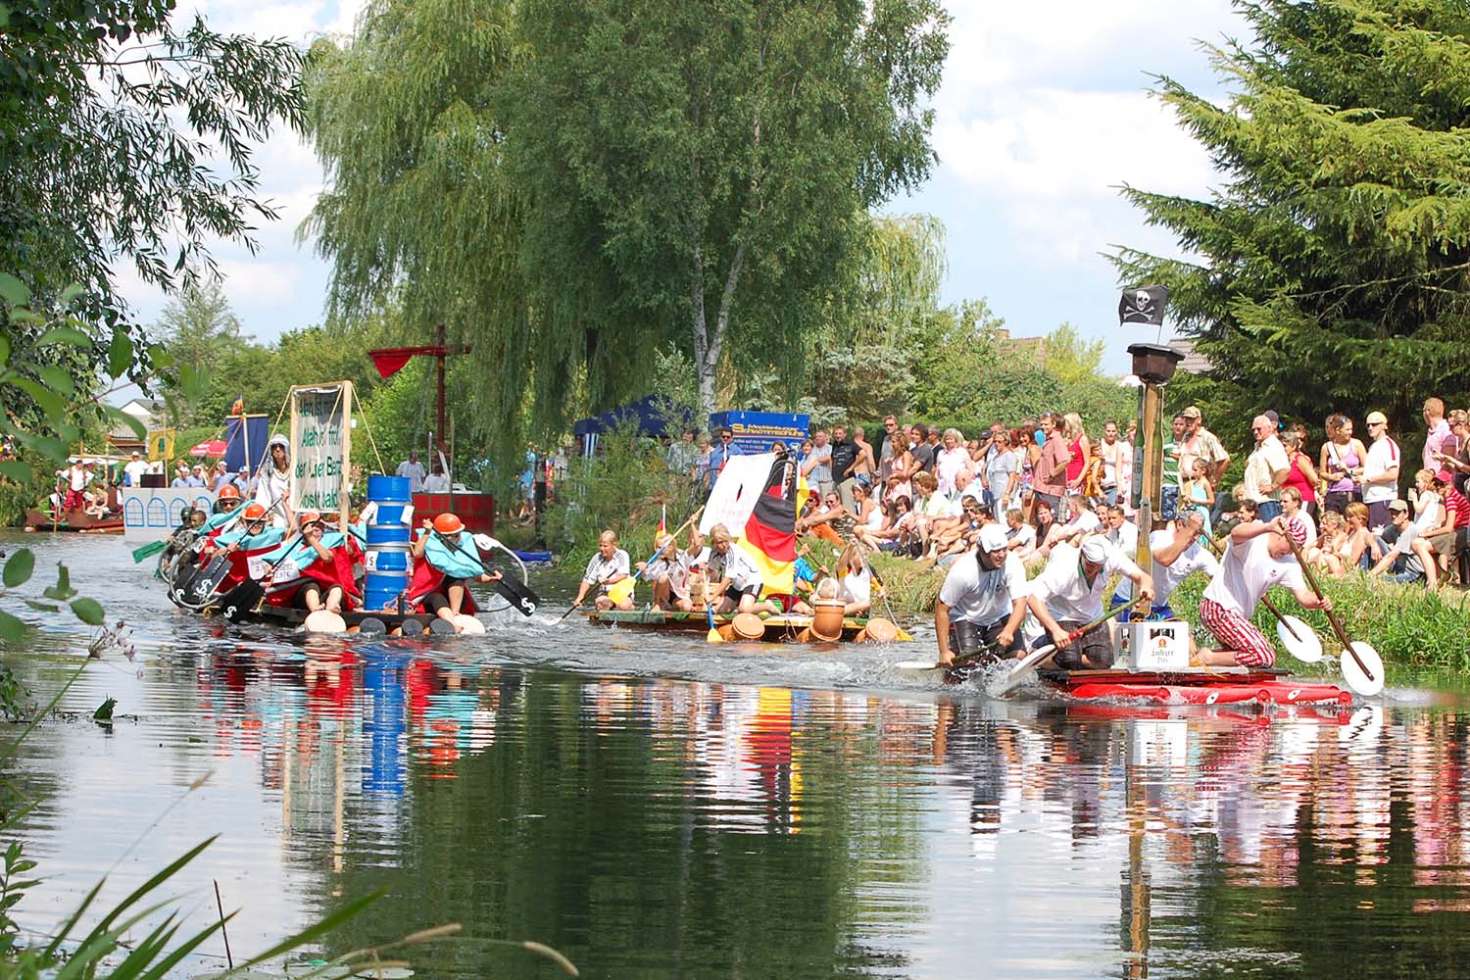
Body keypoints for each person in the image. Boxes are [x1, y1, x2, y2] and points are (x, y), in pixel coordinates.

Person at [1197, 517, 1330, 668]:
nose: (1289, 552)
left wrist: (1318, 601)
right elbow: (1235, 533)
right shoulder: (1254, 540)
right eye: (1290, 546)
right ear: (1281, 536)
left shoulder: (1290, 562)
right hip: (1217, 607)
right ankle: (1207, 658)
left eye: (1296, 548)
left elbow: (1304, 596)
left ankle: (1198, 660)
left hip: (1237, 615)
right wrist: (1268, 527)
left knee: (1245, 656)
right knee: (1263, 656)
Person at [1026, 536, 1154, 669]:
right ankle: (1039, 649)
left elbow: (1143, 577)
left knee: (1103, 661)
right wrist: (1055, 630)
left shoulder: (1112, 556)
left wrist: (1146, 587)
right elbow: (1033, 598)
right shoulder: (1063, 569)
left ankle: (1074, 656)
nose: (1093, 570)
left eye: (1098, 567)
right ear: (1082, 555)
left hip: (1092, 616)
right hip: (1062, 616)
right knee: (1070, 661)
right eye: (1090, 565)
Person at [933, 524, 1029, 665]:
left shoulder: (1013, 563)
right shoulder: (963, 571)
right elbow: (942, 608)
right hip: (966, 618)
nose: (1001, 555)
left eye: (1004, 550)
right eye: (995, 551)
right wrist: (944, 651)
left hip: (998, 616)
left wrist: (1008, 631)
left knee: (1019, 656)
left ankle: (996, 670)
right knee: (971, 663)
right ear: (982, 551)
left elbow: (1020, 603)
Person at [1112, 510, 1220, 620]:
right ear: (1179, 525)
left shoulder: (1200, 554)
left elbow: (1220, 579)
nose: (1195, 537)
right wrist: (1187, 534)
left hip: (1159, 607)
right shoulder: (1159, 537)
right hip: (1127, 601)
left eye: (1199, 533)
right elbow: (1165, 559)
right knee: (1138, 636)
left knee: (1183, 635)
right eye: (1193, 532)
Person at [404, 512, 500, 626]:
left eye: (458, 534)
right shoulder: (431, 545)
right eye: (454, 535)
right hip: (428, 594)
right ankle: (452, 624)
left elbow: (476, 574)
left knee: (457, 579)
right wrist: (427, 532)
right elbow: (417, 553)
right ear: (442, 536)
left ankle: (455, 613)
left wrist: (491, 578)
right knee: (437, 598)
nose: (458, 538)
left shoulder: (461, 550)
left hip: (452, 595)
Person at [1368, 499, 1437, 587]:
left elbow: (1391, 555)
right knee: (1375, 539)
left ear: (1406, 514)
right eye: (1392, 513)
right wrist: (1374, 545)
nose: (1393, 516)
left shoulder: (1411, 530)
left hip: (1414, 573)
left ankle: (1370, 575)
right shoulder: (1392, 528)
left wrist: (1371, 575)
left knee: (1382, 581)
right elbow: (1377, 538)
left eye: (1397, 513)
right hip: (1399, 568)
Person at [1421, 472, 1468, 583]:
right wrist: (1437, 527)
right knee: (1441, 540)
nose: (1438, 488)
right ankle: (1446, 577)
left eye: (1441, 485)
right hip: (1462, 529)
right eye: (1437, 485)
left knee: (1439, 543)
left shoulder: (1451, 499)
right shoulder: (1454, 495)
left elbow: (1449, 528)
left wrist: (1427, 534)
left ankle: (1441, 577)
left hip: (1464, 531)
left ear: (1449, 485)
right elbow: (1451, 521)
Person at [706, 523, 763, 614]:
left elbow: (728, 578)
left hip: (752, 581)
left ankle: (767, 606)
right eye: (720, 542)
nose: (724, 545)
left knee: (744, 609)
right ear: (714, 543)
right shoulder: (713, 553)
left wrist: (713, 596)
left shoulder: (732, 551)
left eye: (725, 541)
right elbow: (710, 573)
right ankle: (740, 604)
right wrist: (705, 590)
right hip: (737, 585)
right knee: (721, 611)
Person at [1243, 414, 1290, 521]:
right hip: (1254, 502)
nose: (1255, 432)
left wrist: (1273, 486)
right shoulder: (1259, 447)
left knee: (1267, 535)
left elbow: (1284, 470)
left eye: (1259, 429)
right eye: (1253, 429)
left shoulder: (1273, 445)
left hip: (1267, 502)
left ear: (1269, 428)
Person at [572, 530, 632, 611]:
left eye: (605, 546)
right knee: (601, 604)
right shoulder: (596, 558)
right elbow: (587, 580)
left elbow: (623, 575)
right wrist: (579, 598)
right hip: (605, 593)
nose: (602, 549)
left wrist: (609, 581)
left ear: (614, 544)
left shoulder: (622, 555)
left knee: (623, 606)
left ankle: (628, 608)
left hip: (621, 592)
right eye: (600, 546)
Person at [1362, 410, 1401, 531]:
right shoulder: (1374, 445)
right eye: (1368, 425)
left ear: (1384, 425)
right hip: (1370, 499)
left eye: (1374, 424)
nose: (1370, 427)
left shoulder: (1388, 445)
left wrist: (1368, 479)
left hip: (1383, 499)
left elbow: (1393, 474)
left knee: (1381, 539)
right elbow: (1373, 470)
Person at [1319, 413, 1366, 514]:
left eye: (1351, 429)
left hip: (1352, 492)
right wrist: (1332, 477)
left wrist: (1350, 471)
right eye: (1347, 430)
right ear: (1338, 430)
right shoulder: (1327, 447)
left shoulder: (1357, 444)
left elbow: (1367, 468)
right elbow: (1322, 472)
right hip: (1333, 493)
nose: (1350, 432)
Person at [638, 533, 694, 612]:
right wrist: (644, 569)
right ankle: (657, 604)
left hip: (679, 595)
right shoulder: (659, 562)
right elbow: (648, 576)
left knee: (686, 607)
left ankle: (673, 608)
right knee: (663, 577)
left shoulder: (682, 556)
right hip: (664, 595)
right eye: (657, 548)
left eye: (661, 548)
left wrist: (692, 524)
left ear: (671, 546)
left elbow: (696, 545)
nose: (658, 551)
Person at [1178, 406, 1230, 488]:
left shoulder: (1208, 437)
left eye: (1191, 419)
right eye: (1186, 419)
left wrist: (1213, 481)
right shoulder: (1185, 437)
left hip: (1200, 485)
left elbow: (1224, 460)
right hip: (1183, 485)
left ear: (1199, 420)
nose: (1188, 422)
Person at [1034, 413, 1070, 524]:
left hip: (1052, 489)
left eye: (1046, 424)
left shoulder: (1056, 440)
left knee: (1051, 520)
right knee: (1042, 521)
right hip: (1043, 488)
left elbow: (1065, 460)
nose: (1043, 427)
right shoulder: (1047, 439)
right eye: (1042, 424)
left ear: (1054, 424)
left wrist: (1052, 474)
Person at [255, 435, 293, 529]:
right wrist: (265, 514)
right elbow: (262, 497)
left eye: (281, 446)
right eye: (274, 447)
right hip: (278, 517)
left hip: (296, 515)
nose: (278, 449)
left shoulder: (295, 469)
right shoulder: (267, 471)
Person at [1281, 431, 1320, 517]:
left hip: (1304, 499)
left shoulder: (1300, 459)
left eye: (1285, 446)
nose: (1282, 449)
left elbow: (1314, 479)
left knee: (1300, 523)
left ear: (1293, 446)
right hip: (1289, 501)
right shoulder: (1283, 461)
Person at [983, 429, 1020, 514]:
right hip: (995, 494)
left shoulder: (1009, 456)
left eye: (1000, 442)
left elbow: (1012, 476)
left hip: (1004, 494)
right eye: (995, 441)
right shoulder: (995, 457)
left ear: (1006, 442)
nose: (996, 444)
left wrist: (1007, 494)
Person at [1161, 414, 1186, 520]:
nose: (1178, 427)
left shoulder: (1188, 442)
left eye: (1181, 424)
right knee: (1168, 517)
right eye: (1176, 424)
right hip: (1169, 484)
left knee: (1182, 517)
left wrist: (1176, 455)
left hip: (1184, 486)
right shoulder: (1165, 442)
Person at [829, 424, 859, 511]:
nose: (838, 436)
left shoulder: (850, 444)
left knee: (848, 506)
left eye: (840, 433)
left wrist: (850, 469)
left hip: (846, 480)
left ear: (845, 434)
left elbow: (863, 454)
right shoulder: (835, 445)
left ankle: (851, 524)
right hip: (836, 480)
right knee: (836, 506)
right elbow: (832, 459)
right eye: (836, 434)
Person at [1061, 413, 1089, 504]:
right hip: (1065, 480)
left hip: (1076, 479)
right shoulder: (1066, 439)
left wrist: (1078, 480)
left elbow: (1087, 463)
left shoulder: (1082, 439)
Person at [1097, 420, 1126, 506]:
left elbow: (1118, 468)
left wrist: (1120, 488)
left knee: (1111, 510)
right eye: (1108, 431)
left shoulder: (1119, 446)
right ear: (1104, 431)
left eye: (1113, 431)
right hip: (1099, 485)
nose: (1111, 434)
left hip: (1113, 485)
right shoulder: (1098, 444)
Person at [934, 428, 969, 497]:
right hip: (943, 489)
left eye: (951, 439)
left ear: (956, 440)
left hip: (958, 489)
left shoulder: (962, 452)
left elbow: (970, 470)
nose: (949, 441)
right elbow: (937, 471)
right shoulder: (941, 453)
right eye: (947, 439)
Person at [802, 429, 834, 498]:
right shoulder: (812, 449)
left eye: (820, 436)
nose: (817, 438)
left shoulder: (830, 448)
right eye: (816, 436)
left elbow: (831, 458)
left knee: (826, 503)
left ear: (825, 437)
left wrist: (818, 460)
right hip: (813, 483)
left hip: (826, 482)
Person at [1424, 397, 1452, 474]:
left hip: (1441, 481)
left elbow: (1449, 459)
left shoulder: (1446, 430)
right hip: (1429, 480)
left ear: (1427, 412)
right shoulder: (1431, 431)